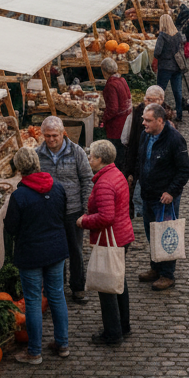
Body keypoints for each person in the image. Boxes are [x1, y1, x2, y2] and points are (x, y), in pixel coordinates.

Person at [4, 148, 70, 364]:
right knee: (57, 295)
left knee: (32, 301)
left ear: (20, 169)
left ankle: (34, 352)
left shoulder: (19, 195)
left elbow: (11, 228)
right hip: (56, 250)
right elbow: (63, 215)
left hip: (31, 253)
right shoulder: (58, 187)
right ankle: (62, 344)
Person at [82, 140, 135, 347]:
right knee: (119, 280)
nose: (89, 160)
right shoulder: (117, 174)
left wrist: (83, 221)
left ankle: (113, 333)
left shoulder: (104, 183)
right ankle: (124, 325)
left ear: (99, 159)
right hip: (122, 235)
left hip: (110, 238)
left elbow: (105, 217)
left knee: (107, 287)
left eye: (91, 157)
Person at [36, 115, 93, 305]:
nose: (51, 140)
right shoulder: (38, 154)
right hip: (49, 213)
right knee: (53, 252)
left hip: (73, 211)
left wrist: (85, 210)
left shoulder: (76, 152)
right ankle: (57, 289)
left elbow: (87, 180)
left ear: (63, 134)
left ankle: (78, 287)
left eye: (54, 136)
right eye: (47, 136)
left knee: (75, 250)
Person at [135, 103, 189, 291]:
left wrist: (171, 192)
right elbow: (142, 160)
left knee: (166, 235)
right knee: (151, 233)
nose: (143, 123)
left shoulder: (175, 139)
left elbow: (185, 170)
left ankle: (167, 274)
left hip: (165, 198)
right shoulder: (145, 135)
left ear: (160, 120)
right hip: (148, 195)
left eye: (148, 120)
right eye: (144, 119)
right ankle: (156, 267)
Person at [153, 13, 186, 122]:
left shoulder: (162, 36)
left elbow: (157, 52)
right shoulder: (177, 35)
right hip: (177, 66)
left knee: (160, 90)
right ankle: (179, 113)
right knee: (177, 91)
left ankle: (159, 113)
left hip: (165, 67)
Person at [101, 57, 133, 156]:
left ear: (104, 71)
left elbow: (113, 109)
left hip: (117, 125)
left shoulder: (111, 85)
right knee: (122, 150)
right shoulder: (122, 80)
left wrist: (103, 119)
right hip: (126, 118)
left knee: (116, 150)